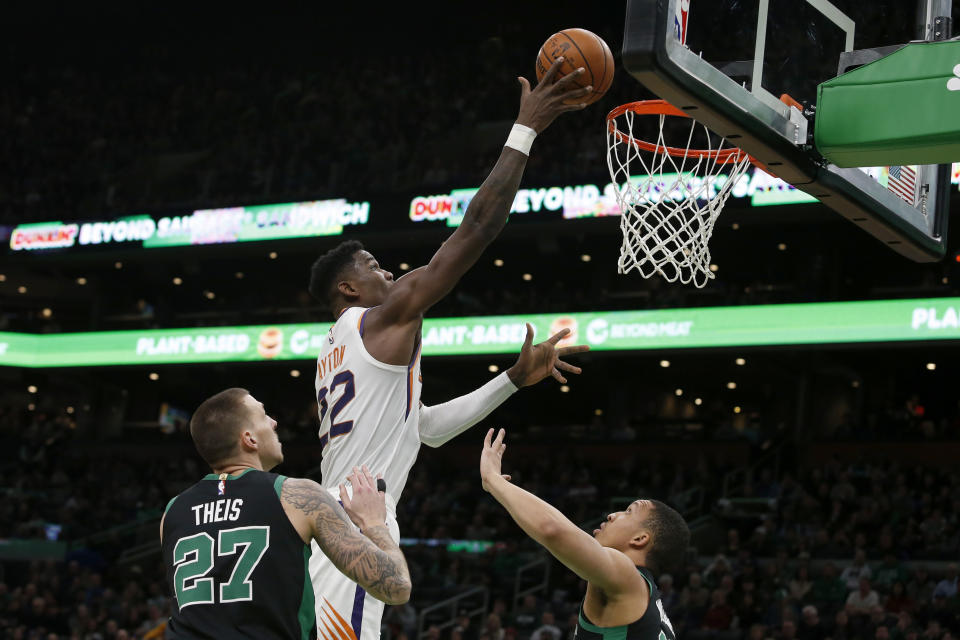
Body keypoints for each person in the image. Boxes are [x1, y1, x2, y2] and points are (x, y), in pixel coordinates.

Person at [305, 56, 592, 640]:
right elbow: (476, 230)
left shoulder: (334, 352)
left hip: (336, 520)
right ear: (348, 288)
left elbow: (425, 429)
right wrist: (527, 129)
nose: (389, 274)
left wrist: (510, 381)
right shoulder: (378, 321)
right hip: (358, 523)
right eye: (375, 267)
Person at [161, 388, 411, 639]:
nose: (274, 422)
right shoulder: (297, 496)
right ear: (250, 439)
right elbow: (395, 587)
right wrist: (374, 524)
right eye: (263, 416)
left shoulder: (172, 513)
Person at [479, 428, 689, 639]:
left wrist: (492, 479)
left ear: (640, 539)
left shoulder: (627, 576)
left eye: (628, 511)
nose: (612, 515)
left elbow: (552, 530)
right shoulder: (648, 601)